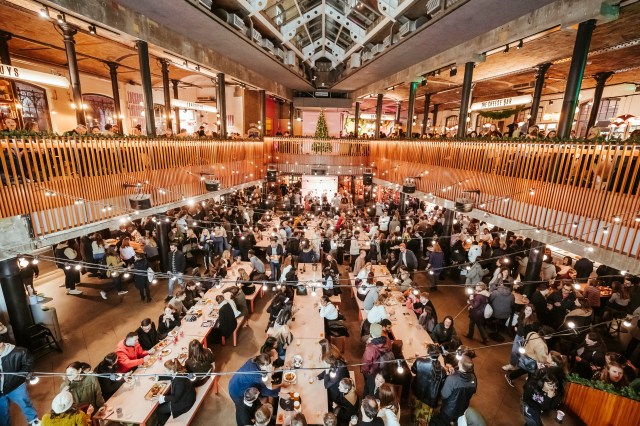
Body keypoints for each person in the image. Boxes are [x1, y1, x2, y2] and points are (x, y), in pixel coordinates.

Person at [228, 354, 287, 422]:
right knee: (243, 408)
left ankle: (265, 413)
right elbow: (266, 390)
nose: (269, 367)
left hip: (234, 382)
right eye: (267, 367)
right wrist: (280, 389)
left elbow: (269, 370)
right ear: (262, 366)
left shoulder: (254, 360)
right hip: (237, 392)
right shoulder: (257, 376)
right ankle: (261, 418)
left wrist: (280, 368)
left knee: (255, 402)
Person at [0, 340, 40, 425]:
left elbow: (28, 363)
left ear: (1, 344)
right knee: (2, 412)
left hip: (16, 386)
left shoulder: (20, 352)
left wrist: (20, 376)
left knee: (25, 403)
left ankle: (34, 420)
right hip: (0, 392)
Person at [431, 355, 477, 426]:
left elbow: (443, 395)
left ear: (460, 364)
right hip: (462, 408)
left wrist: (452, 377)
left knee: (442, 422)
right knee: (453, 420)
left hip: (449, 410)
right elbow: (471, 390)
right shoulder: (473, 378)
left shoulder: (452, 379)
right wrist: (455, 372)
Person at [154, 359, 196, 425]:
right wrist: (158, 377)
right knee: (162, 403)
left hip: (185, 403)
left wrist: (163, 398)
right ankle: (167, 415)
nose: (164, 371)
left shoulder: (179, 381)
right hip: (188, 396)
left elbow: (175, 398)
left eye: (165, 370)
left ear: (171, 371)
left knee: (159, 410)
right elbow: (171, 376)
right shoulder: (178, 372)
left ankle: (163, 423)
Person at [411, 343, 446, 422]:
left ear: (428, 353)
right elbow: (442, 385)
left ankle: (414, 420)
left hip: (417, 391)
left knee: (416, 409)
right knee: (423, 418)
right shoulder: (442, 370)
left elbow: (413, 370)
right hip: (430, 398)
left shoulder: (419, 361)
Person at [503, 304, 539, 371]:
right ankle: (512, 365)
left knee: (521, 354)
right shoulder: (522, 315)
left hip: (525, 340)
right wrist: (516, 326)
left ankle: (519, 366)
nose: (527, 311)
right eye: (526, 309)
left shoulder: (534, 322)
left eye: (530, 310)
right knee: (514, 351)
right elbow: (518, 322)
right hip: (518, 336)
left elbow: (533, 333)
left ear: (532, 312)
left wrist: (525, 338)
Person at [361, 324, 392, 395]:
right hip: (384, 371)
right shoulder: (387, 340)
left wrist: (366, 373)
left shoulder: (370, 347)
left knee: (369, 386)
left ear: (371, 333)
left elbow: (365, 363)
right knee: (380, 387)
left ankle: (368, 397)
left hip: (373, 372)